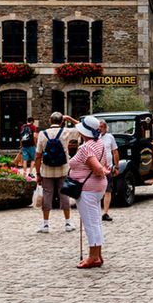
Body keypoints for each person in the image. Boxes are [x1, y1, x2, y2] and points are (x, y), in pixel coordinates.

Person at [68, 115, 111, 269]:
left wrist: (101, 171)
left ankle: (93, 257)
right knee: (96, 222)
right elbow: (103, 164)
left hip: (87, 189)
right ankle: (97, 254)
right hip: (97, 187)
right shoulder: (98, 143)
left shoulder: (86, 147)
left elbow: (98, 168)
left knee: (90, 223)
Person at [34, 112, 76, 233]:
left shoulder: (42, 134)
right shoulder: (65, 132)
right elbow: (82, 128)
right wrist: (70, 118)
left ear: (49, 120)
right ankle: (68, 222)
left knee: (47, 195)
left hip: (46, 170)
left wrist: (38, 173)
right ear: (62, 121)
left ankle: (45, 224)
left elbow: (37, 156)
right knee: (64, 195)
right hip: (63, 169)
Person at [99, 119, 120, 223]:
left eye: (102, 127)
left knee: (108, 190)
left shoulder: (110, 137)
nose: (100, 129)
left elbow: (115, 152)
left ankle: (105, 212)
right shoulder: (94, 138)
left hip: (108, 167)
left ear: (105, 128)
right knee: (97, 190)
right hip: (97, 168)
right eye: (99, 127)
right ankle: (96, 212)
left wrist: (116, 167)